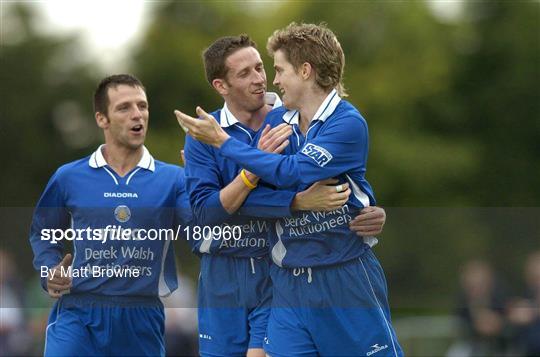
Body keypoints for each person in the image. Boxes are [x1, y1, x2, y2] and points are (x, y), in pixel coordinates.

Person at [175, 23, 402, 356]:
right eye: (246, 73)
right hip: (278, 280)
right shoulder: (268, 125)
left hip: (335, 274)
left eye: (269, 69)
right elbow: (215, 207)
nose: (267, 79)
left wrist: (367, 208)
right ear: (220, 85)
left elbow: (300, 172)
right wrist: (296, 202)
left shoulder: (342, 121)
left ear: (305, 71)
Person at [29, 74, 191, 356]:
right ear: (102, 119)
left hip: (141, 317)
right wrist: (49, 270)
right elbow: (43, 234)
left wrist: (202, 181)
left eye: (142, 106)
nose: (137, 114)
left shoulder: (174, 179)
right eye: (124, 107)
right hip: (79, 312)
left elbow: (202, 232)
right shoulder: (68, 177)